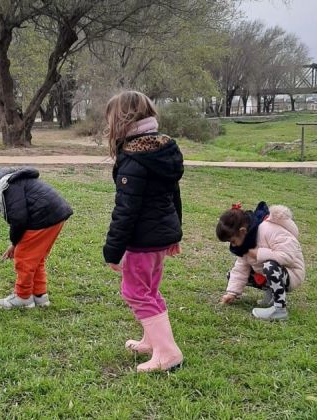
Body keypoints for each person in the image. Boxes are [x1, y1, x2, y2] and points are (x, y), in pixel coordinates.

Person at [102, 90, 184, 373]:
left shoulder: (134, 158)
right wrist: (174, 234)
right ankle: (153, 341)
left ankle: (167, 352)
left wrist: (113, 251)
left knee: (136, 291)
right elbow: (173, 194)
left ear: (121, 120)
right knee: (149, 290)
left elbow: (126, 210)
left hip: (143, 240)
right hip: (159, 237)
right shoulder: (163, 149)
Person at [0, 165, 72, 309]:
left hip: (42, 217)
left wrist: (15, 243)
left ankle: (23, 297)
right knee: (36, 258)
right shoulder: (6, 183)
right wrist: (15, 243)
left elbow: (18, 219)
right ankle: (40, 296)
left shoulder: (5, 187)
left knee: (23, 258)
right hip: (54, 214)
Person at [216, 201, 305, 321]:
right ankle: (271, 294)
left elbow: (288, 256)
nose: (233, 245)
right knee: (233, 274)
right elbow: (240, 268)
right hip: (271, 272)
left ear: (242, 231)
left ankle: (279, 309)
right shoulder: (246, 242)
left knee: (269, 266)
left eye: (232, 241)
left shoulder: (269, 230)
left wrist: (258, 253)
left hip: (291, 273)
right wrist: (232, 293)